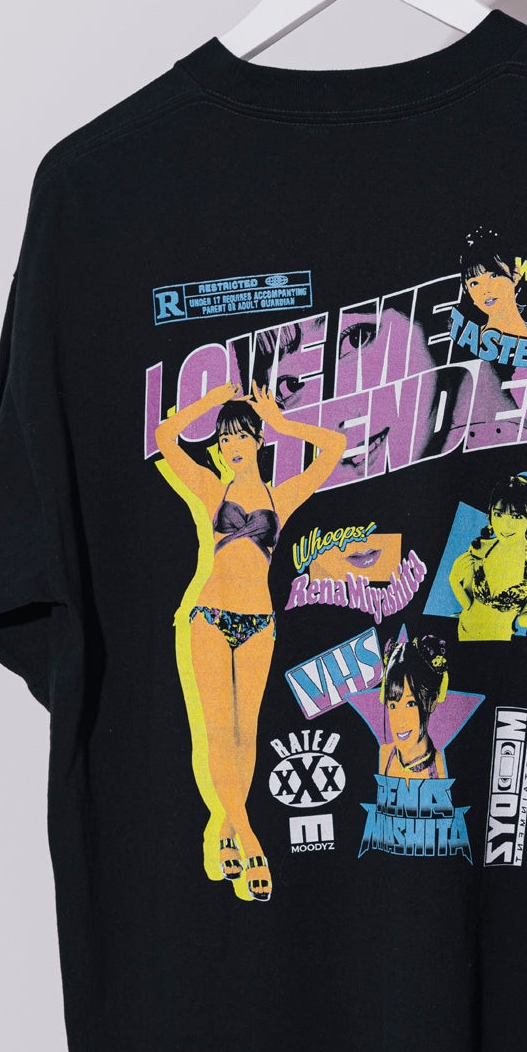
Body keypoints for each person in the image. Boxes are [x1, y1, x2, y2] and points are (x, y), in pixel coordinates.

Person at [154, 380, 347, 900]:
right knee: (218, 731)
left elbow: (334, 447)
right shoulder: (211, 489)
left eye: (242, 435)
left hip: (260, 622)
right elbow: (166, 437)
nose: (232, 445)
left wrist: (283, 422)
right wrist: (209, 402)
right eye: (224, 438)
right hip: (211, 617)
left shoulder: (281, 498)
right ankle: (249, 833)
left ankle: (225, 828)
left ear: (259, 440)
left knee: (246, 732)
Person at [449, 472, 527, 641]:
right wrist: (468, 606)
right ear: (490, 513)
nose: (505, 525)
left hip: (500, 644)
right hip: (464, 633)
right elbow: (454, 579)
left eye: (516, 517)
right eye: (498, 514)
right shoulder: (480, 549)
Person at [459, 227, 527, 348]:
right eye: (474, 283)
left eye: (494, 276)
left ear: (515, 275)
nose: (485, 290)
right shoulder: (466, 343)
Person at [378, 631, 450, 780]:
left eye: (410, 704)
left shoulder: (443, 767)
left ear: (432, 701)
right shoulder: (382, 756)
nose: (400, 720)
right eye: (393, 705)